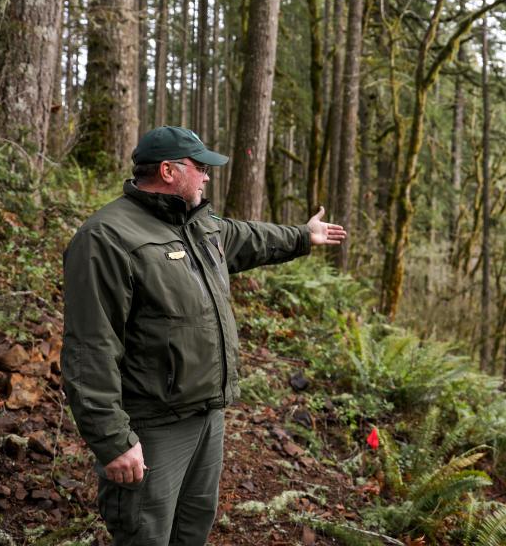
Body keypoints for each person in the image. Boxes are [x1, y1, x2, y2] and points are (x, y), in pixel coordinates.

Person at [61, 126, 346, 545]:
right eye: (201, 167)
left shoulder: (199, 226)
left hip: (207, 417)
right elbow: (91, 347)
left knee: (192, 529)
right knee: (145, 534)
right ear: (169, 171)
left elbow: (249, 238)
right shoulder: (106, 237)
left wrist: (304, 236)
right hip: (152, 426)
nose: (208, 176)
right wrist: (112, 440)